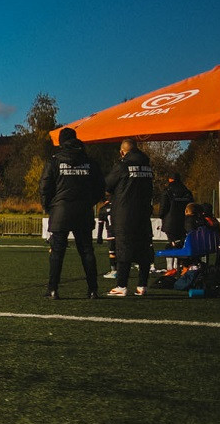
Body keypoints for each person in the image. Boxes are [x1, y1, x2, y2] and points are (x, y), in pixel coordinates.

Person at [40, 126, 104, 299]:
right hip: (83, 210)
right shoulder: (90, 162)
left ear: (61, 142)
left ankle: (53, 289)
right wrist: (89, 202)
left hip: (61, 210)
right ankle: (93, 290)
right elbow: (100, 188)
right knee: (86, 251)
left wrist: (50, 207)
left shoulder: (54, 161)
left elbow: (45, 187)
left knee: (57, 251)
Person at [105, 138, 155, 297]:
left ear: (122, 152)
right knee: (144, 249)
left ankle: (121, 285)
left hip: (124, 214)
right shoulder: (147, 166)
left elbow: (107, 185)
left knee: (123, 249)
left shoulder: (121, 166)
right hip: (144, 212)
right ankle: (142, 285)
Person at [158, 174, 194, 248]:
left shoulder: (167, 191)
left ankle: (173, 258)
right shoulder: (187, 191)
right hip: (184, 222)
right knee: (181, 243)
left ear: (170, 180)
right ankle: (181, 259)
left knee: (172, 245)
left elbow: (163, 208)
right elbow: (192, 206)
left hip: (170, 223)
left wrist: (161, 216)